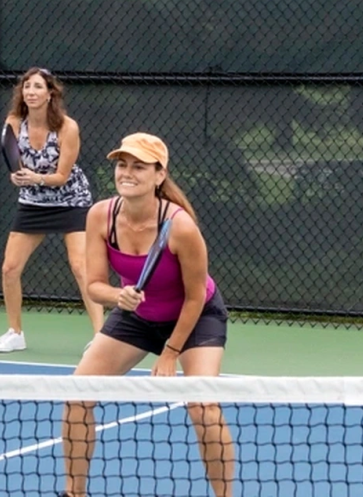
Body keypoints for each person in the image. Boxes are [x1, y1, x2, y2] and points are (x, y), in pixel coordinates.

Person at [59, 133, 235, 497]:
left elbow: (194, 297)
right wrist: (118, 296)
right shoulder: (101, 216)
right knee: (77, 396)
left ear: (159, 175)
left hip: (195, 316)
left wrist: (171, 352)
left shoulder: (181, 227)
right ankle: (75, 494)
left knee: (203, 408)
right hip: (137, 315)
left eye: (139, 166)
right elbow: (94, 286)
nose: (127, 172)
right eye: (122, 165)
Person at [0, 67, 104, 353]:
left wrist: (35, 178)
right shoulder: (14, 123)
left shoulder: (68, 127)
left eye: (38, 87)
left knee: (80, 266)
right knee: (9, 268)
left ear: (50, 94)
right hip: (33, 203)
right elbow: (15, 166)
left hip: (71, 200)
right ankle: (15, 333)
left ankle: (102, 336)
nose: (31, 92)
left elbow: (62, 176)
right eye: (27, 86)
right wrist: (18, 177)